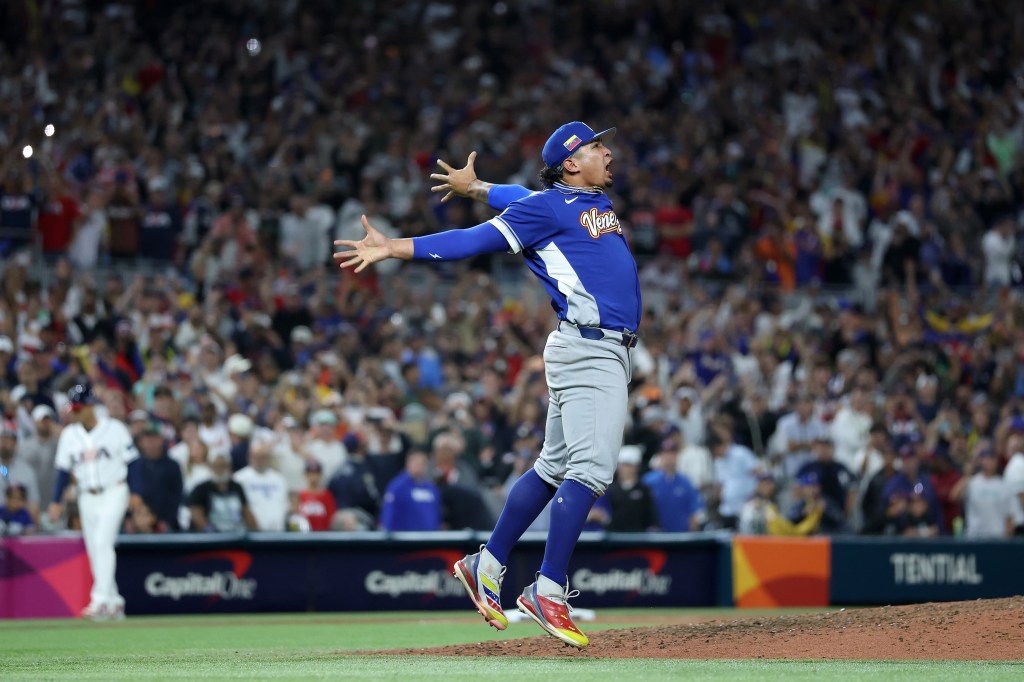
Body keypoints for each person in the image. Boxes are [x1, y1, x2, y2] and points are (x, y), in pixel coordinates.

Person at [336, 121, 636, 648]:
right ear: (570, 162)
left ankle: (487, 563)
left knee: (554, 468)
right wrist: (394, 248)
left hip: (599, 348)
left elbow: (518, 194)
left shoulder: (565, 200)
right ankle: (548, 590)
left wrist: (476, 188)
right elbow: (469, 241)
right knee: (590, 471)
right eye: (594, 146)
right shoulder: (545, 209)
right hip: (590, 347)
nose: (606, 151)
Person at [49, 384, 141, 621]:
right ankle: (114, 601)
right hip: (85, 496)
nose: (75, 413)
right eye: (73, 408)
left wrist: (136, 492)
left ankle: (99, 599)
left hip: (114, 491)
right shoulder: (70, 434)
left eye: (79, 408)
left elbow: (133, 462)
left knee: (102, 542)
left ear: (91, 406)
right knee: (94, 549)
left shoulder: (115, 428)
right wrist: (55, 500)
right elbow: (62, 470)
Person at [641, 440, 706, 532]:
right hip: (655, 538)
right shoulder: (649, 481)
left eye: (672, 454)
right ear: (661, 456)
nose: (669, 458)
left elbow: (696, 509)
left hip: (681, 536)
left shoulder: (686, 482)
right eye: (666, 454)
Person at [187, 450, 258, 532]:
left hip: (235, 536)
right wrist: (212, 532)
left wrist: (255, 532)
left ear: (229, 467)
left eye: (223, 466)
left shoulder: (237, 487)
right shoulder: (201, 489)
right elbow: (196, 515)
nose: (219, 470)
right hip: (210, 538)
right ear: (210, 467)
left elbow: (246, 512)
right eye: (216, 466)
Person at [232, 439, 289, 532]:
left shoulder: (279, 479)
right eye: (257, 457)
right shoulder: (239, 479)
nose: (260, 461)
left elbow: (285, 504)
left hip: (278, 533)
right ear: (250, 457)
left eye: (264, 457)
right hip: (251, 535)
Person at [379, 450, 442, 532]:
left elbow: (436, 515)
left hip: (429, 539)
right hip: (405, 540)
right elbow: (388, 514)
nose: (418, 466)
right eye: (415, 462)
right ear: (407, 463)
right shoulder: (397, 487)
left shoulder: (432, 489)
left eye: (421, 463)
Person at [603, 445, 657, 532]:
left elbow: (650, 517)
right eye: (624, 465)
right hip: (614, 539)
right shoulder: (610, 489)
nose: (626, 469)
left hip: (638, 539)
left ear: (637, 467)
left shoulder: (644, 489)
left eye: (630, 465)